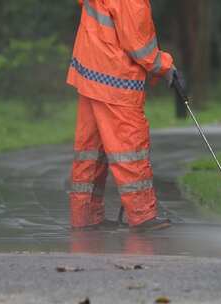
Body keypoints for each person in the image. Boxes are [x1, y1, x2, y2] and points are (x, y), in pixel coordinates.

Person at [66, 0, 177, 231]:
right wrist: (166, 68)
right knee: (130, 147)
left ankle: (85, 216)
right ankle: (141, 215)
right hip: (115, 80)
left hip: (90, 73)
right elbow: (139, 45)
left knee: (91, 151)